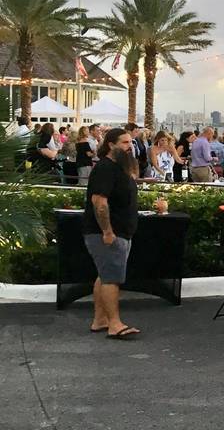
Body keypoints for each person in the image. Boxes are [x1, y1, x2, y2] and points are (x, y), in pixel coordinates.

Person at [82, 127, 140, 339]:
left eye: (130, 143)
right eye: (124, 143)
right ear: (111, 145)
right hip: (107, 234)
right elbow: (99, 202)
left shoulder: (119, 168)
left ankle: (100, 320)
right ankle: (114, 324)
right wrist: (107, 231)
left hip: (120, 232)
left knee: (104, 275)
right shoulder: (106, 168)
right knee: (111, 279)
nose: (129, 147)